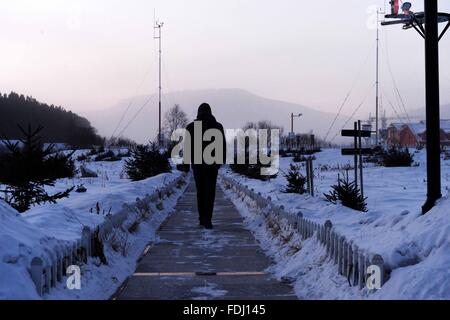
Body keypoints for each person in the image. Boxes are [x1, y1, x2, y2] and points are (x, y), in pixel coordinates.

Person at [185, 103, 226, 229]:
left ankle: (202, 217)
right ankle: (208, 218)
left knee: (200, 191)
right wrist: (220, 162)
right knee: (210, 192)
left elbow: (187, 148)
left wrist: (186, 164)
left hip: (197, 165)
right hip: (212, 165)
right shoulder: (217, 126)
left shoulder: (191, 127)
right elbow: (223, 146)